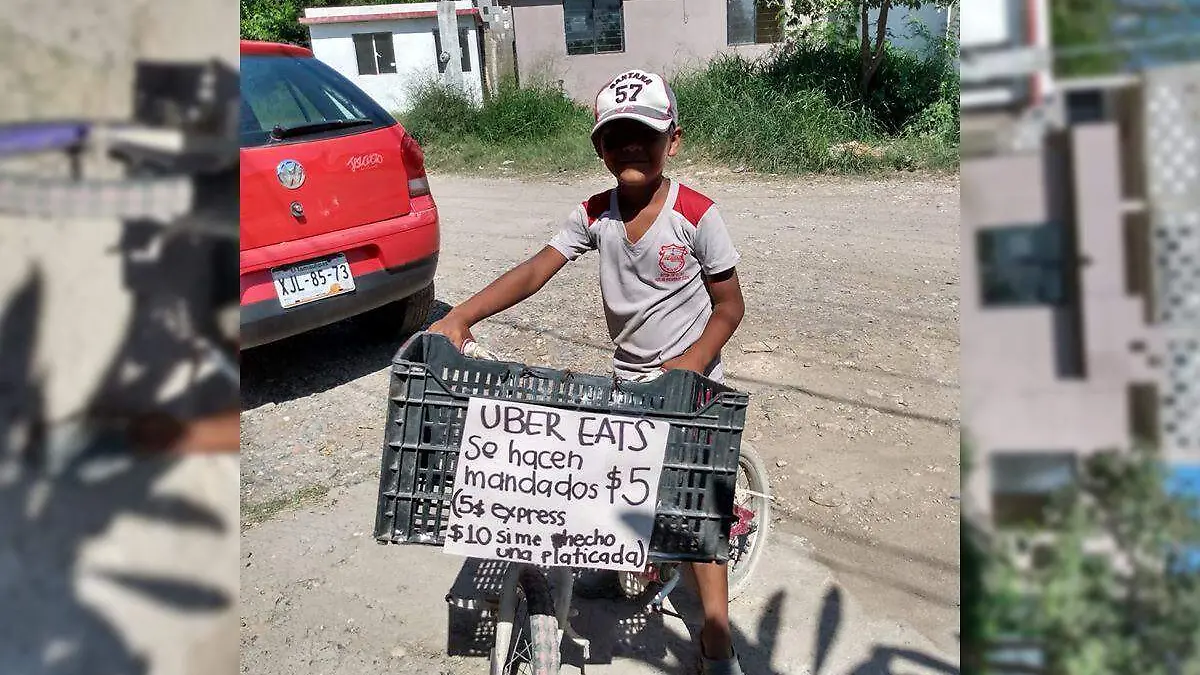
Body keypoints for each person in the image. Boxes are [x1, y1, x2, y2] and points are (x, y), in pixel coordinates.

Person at [430, 69, 747, 674]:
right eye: (616, 137)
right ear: (599, 147)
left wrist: (686, 369)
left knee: (694, 509)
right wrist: (461, 315)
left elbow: (729, 309)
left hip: (691, 380)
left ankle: (716, 639)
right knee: (603, 481)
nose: (630, 148)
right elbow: (535, 268)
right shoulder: (594, 214)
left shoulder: (699, 216)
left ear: (672, 141)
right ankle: (627, 565)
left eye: (644, 136)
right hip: (629, 376)